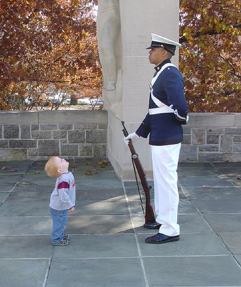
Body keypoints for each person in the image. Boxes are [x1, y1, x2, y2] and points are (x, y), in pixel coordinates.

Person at [124, 33, 188, 244]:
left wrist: (176, 121)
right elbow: (155, 110)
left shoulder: (169, 73)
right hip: (161, 136)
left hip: (167, 137)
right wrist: (139, 133)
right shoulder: (161, 73)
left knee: (167, 183)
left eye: (152, 50)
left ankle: (170, 229)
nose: (149, 53)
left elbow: (180, 108)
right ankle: (162, 219)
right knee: (160, 182)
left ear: (163, 51)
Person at [45, 156, 76, 246]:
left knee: (62, 221)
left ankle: (60, 235)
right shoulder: (64, 180)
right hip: (59, 207)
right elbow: (63, 195)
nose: (63, 159)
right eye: (61, 161)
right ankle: (57, 239)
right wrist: (69, 205)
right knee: (60, 222)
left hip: (60, 205)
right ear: (59, 170)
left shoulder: (66, 175)